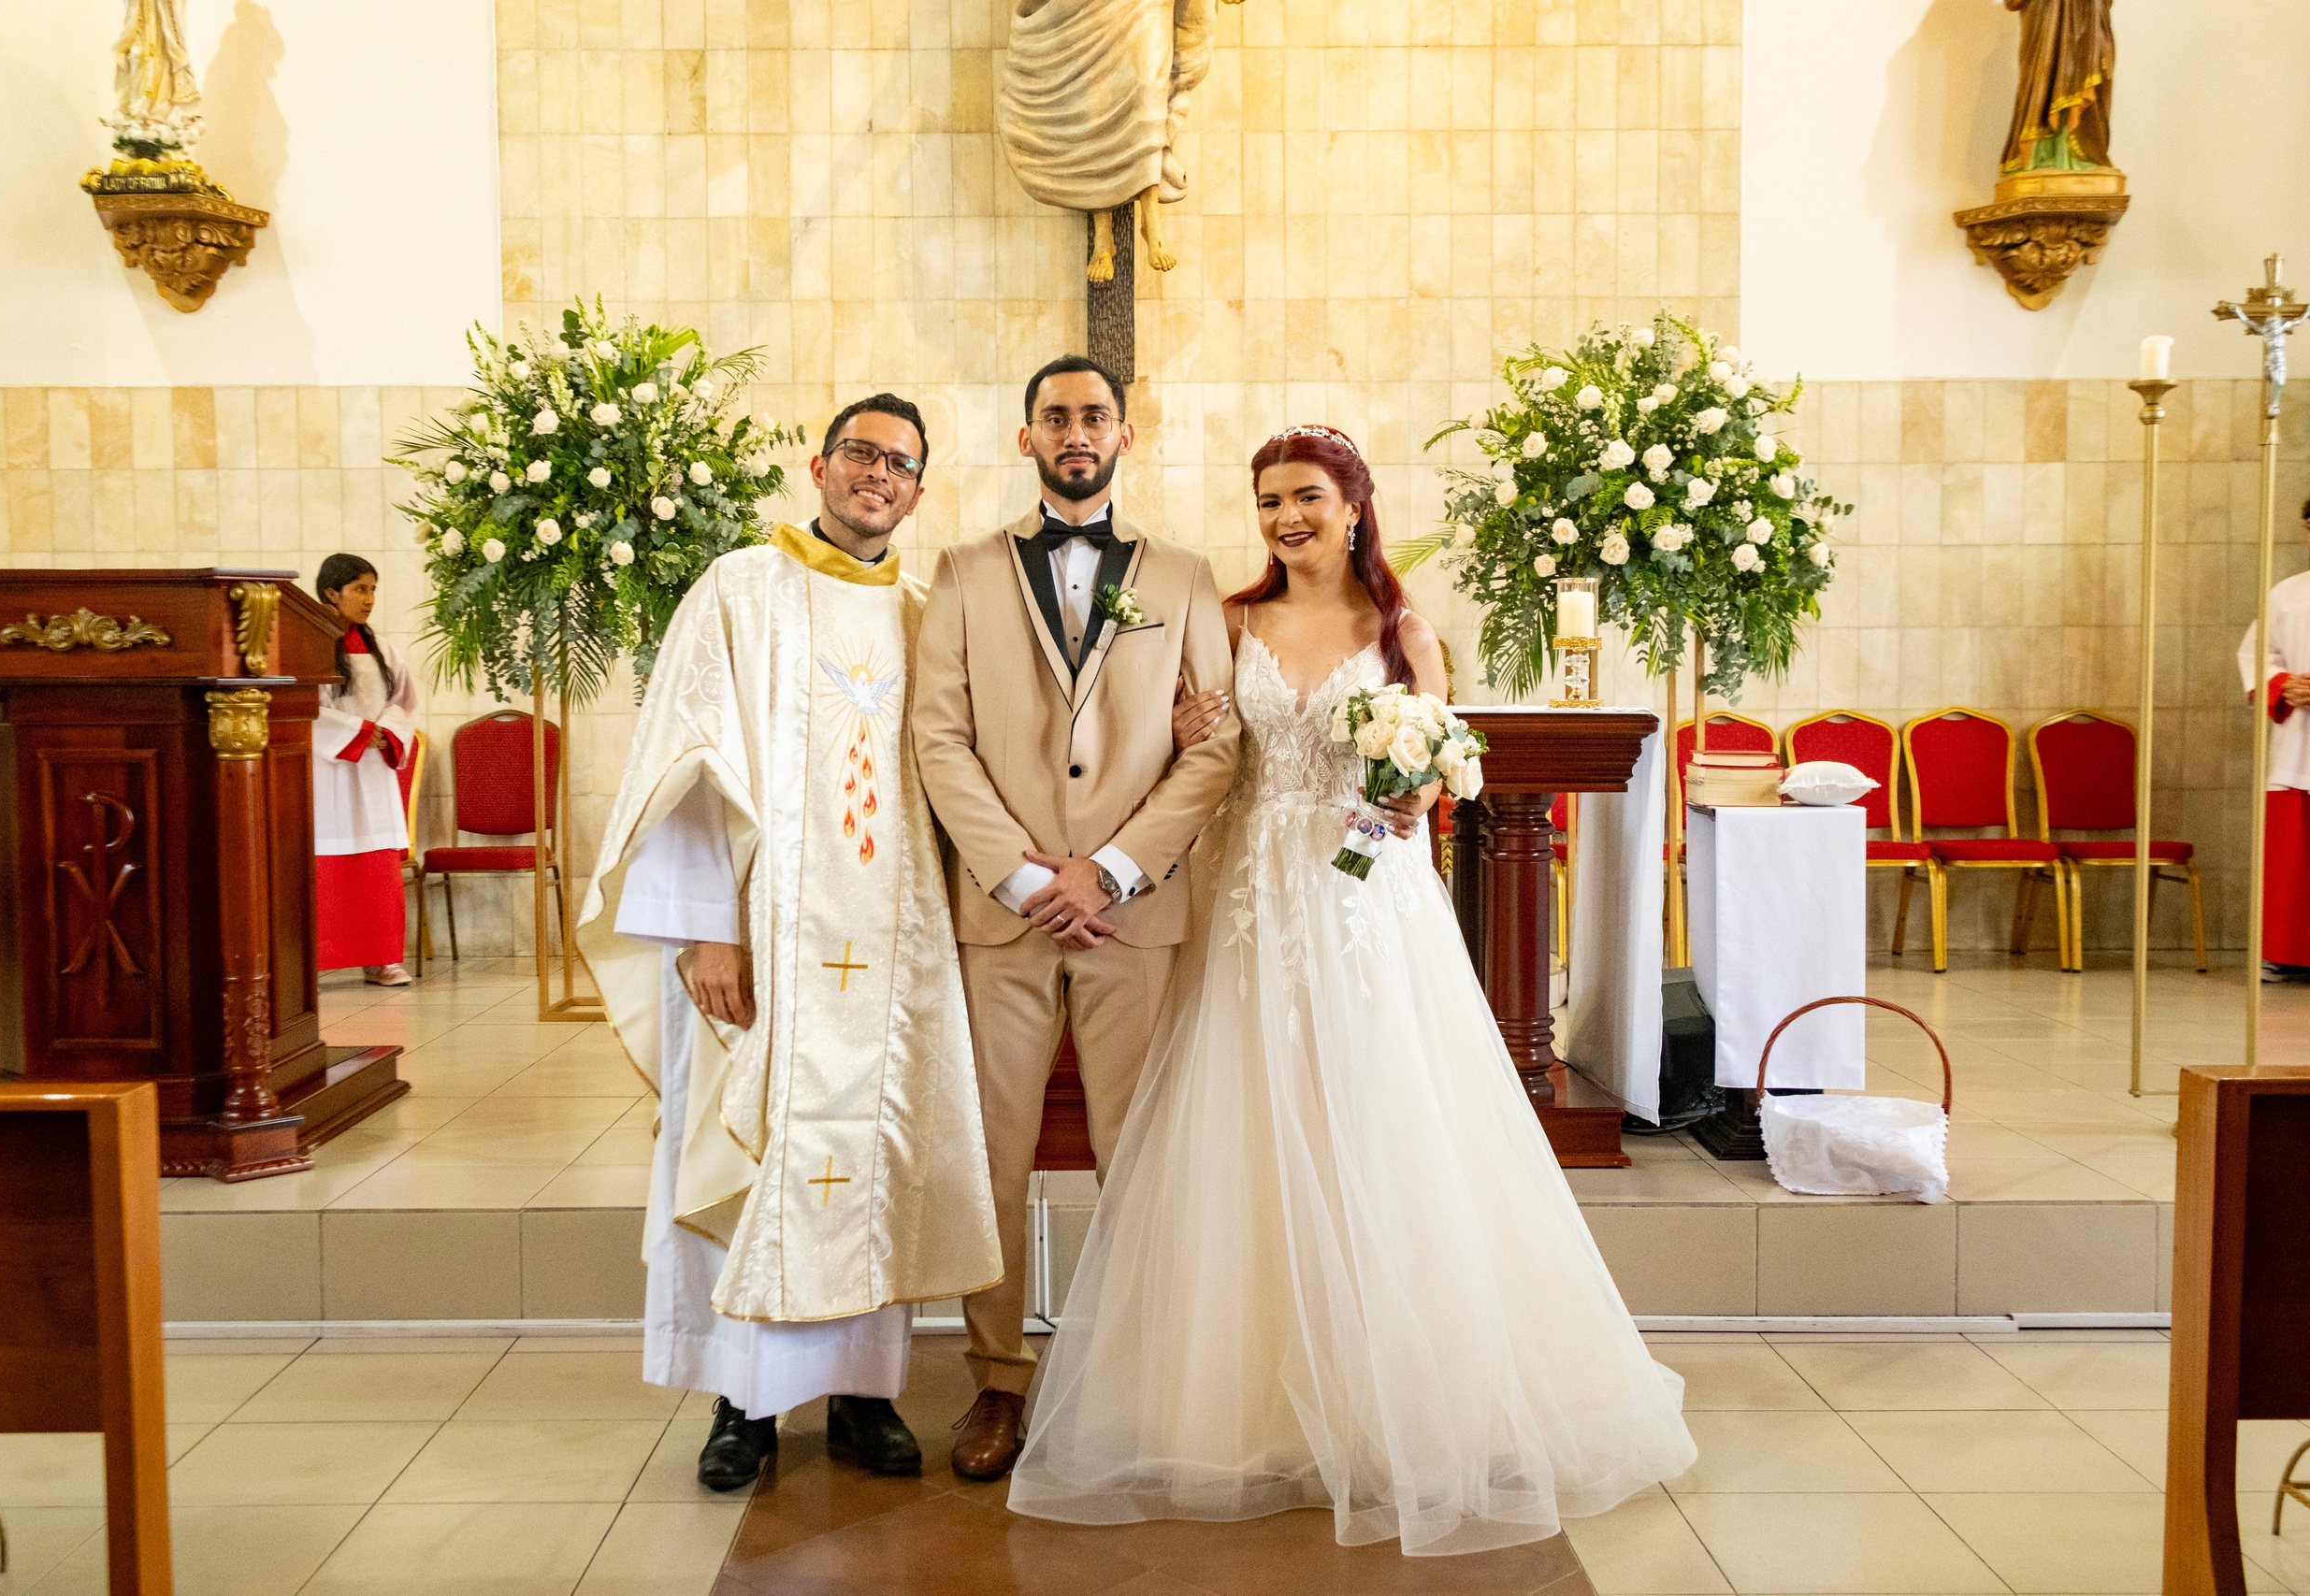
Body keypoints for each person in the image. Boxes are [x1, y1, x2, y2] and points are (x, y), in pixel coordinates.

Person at [1005, 425, 1696, 1556]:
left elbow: (1438, 764)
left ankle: (1403, 1408)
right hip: (1247, 908)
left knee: (1380, 1129)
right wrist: (1190, 727)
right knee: (1247, 1136)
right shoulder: (1228, 622)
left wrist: (1416, 786)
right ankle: (1246, 1413)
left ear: (1354, 506)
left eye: (1308, 497)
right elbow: (1199, 755)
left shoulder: (1402, 631)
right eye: (1269, 498)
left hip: (1366, 907)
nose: (1286, 517)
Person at [573, 395, 1000, 1490]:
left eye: (900, 464)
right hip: (756, 943)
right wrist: (710, 930)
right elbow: (687, 768)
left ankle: (865, 1393)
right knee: (750, 1148)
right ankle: (743, 1407)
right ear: (818, 463)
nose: (878, 475)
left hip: (893, 947)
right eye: (860, 452)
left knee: (880, 1150)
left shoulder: (920, 611)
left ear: (917, 489)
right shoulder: (738, 588)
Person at [910, 354, 1241, 1481]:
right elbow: (937, 737)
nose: (1075, 432)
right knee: (990, 1158)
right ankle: (997, 1384)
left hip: (1130, 915)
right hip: (1003, 920)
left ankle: (1138, 1381)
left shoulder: (1188, 578)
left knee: (1138, 1153)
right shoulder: (959, 574)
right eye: (1054, 417)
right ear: (1025, 439)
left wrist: (1106, 870)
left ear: (1125, 436)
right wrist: (1016, 874)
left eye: (1094, 415)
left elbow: (1216, 748)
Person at [312, 554, 418, 986]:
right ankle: (317, 960)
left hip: (373, 773)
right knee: (326, 866)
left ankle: (382, 960)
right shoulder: (310, 646)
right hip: (327, 772)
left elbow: (405, 702)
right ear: (330, 593)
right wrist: (358, 731)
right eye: (360, 589)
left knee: (376, 866)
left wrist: (384, 731)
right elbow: (304, 711)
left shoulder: (384, 649)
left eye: (372, 589)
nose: (369, 598)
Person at [2241, 496, 2310, 984]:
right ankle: (2287, 953)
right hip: (2300, 744)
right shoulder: (2288, 594)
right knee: (2292, 857)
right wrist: (2281, 685)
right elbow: (2256, 655)